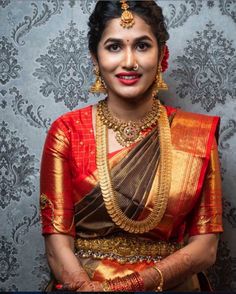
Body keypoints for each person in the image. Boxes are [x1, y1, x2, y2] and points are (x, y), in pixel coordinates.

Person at [40, 0, 223, 291]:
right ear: (95, 57)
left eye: (142, 46)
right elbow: (56, 242)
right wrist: (84, 287)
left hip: (172, 286)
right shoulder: (67, 132)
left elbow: (205, 249)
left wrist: (123, 287)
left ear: (162, 54)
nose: (129, 62)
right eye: (114, 47)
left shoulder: (196, 134)